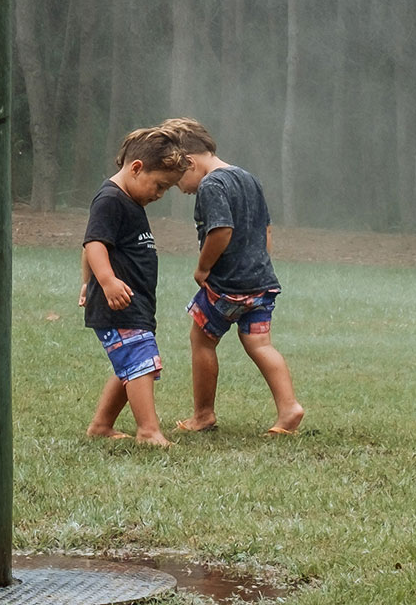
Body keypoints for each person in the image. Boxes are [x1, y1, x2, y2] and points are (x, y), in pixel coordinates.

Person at [161, 117, 305, 436]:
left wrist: (203, 267)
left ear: (189, 162)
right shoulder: (248, 178)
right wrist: (257, 265)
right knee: (260, 344)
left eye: (175, 179)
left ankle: (203, 415)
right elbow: (265, 229)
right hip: (261, 282)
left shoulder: (212, 185)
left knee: (202, 338)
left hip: (227, 285)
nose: (178, 188)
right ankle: (289, 408)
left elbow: (221, 231)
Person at [79, 126, 190, 447]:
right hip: (119, 303)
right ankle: (148, 431)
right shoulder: (110, 200)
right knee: (141, 360)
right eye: (159, 185)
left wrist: (88, 283)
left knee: (129, 364)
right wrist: (106, 281)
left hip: (134, 302)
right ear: (137, 168)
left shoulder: (128, 201)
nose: (160, 194)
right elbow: (94, 243)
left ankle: (102, 425)